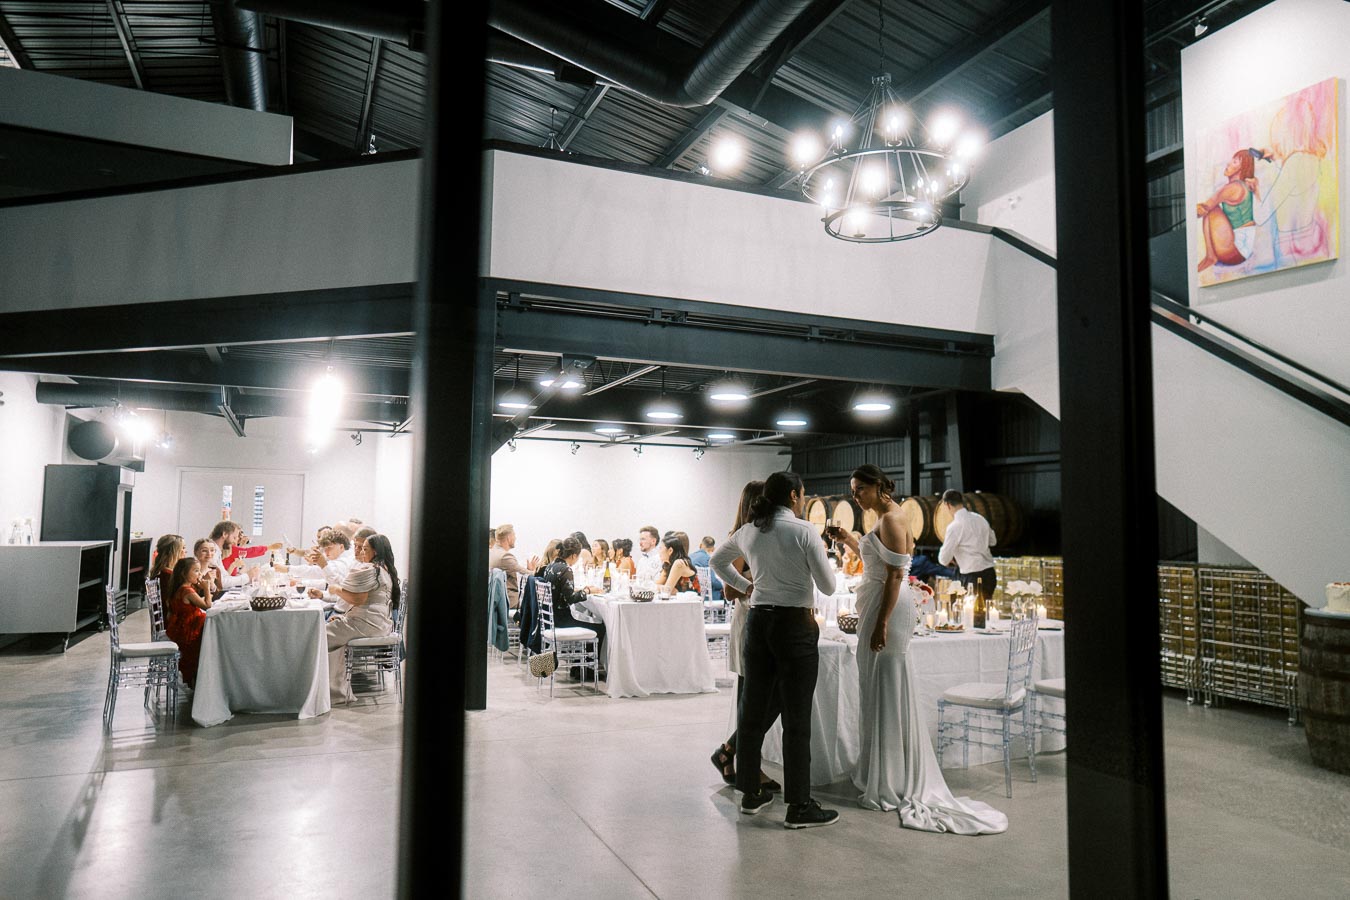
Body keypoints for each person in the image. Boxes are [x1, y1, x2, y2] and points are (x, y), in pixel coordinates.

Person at [830, 466, 1008, 833]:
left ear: (881, 488)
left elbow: (896, 576)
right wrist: (850, 539)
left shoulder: (894, 519)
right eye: (853, 490)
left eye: (861, 489)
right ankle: (880, 768)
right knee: (875, 687)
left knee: (886, 686)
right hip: (877, 606)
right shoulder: (884, 518)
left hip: (888, 613)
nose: (855, 496)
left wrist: (880, 623)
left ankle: (893, 778)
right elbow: (878, 559)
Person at [712, 471, 839, 829]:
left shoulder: (750, 529)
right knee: (796, 719)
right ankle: (799, 805)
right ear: (796, 496)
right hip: (795, 626)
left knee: (751, 712)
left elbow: (717, 562)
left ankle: (751, 794)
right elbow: (828, 587)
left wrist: (747, 586)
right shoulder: (803, 531)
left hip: (758, 623)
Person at [708, 481, 780, 793]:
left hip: (766, 622)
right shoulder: (738, 538)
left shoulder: (765, 536)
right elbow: (727, 589)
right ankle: (742, 763)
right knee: (754, 699)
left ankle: (730, 753)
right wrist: (760, 574)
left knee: (765, 698)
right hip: (747, 620)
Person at [313, 534, 400, 702]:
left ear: (375, 551)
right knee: (329, 633)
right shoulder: (384, 570)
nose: (361, 553)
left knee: (316, 636)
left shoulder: (372, 570)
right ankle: (333, 689)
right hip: (378, 624)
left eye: (365, 549)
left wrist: (336, 589)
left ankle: (319, 690)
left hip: (366, 624)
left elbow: (358, 599)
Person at [538, 536, 606, 668]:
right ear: (574, 555)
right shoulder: (566, 569)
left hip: (550, 618)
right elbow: (570, 599)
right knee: (600, 628)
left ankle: (578, 667)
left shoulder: (551, 566)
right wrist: (587, 591)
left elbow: (560, 589)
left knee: (589, 620)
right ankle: (585, 670)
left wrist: (579, 590)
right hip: (562, 620)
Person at [936, 490, 997, 602]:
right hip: (989, 574)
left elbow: (943, 559)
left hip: (971, 576)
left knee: (971, 615)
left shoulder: (954, 527)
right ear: (961, 502)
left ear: (947, 505)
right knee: (986, 613)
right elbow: (993, 541)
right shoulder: (980, 518)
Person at [165, 556, 214, 688]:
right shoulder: (187, 590)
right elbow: (207, 605)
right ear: (184, 573)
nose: (199, 574)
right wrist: (207, 588)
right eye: (196, 571)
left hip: (184, 626)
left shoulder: (183, 588)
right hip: (188, 632)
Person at [287, 528, 354, 591]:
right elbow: (326, 582)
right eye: (318, 537)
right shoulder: (333, 553)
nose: (326, 551)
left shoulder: (342, 561)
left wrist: (287, 569)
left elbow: (316, 571)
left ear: (341, 547)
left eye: (329, 548)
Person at [490, 524, 536, 610]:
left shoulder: (493, 552)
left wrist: (528, 570)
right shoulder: (505, 556)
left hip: (497, 598)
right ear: (509, 538)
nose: (515, 538)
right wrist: (533, 571)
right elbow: (526, 573)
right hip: (510, 600)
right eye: (514, 535)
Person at [206, 522, 254, 590]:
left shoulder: (217, 551)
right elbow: (222, 583)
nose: (235, 542)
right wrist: (247, 576)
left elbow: (225, 576)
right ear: (224, 534)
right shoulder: (211, 552)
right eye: (234, 537)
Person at [149, 534, 184, 602]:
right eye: (183, 548)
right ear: (173, 552)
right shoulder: (169, 574)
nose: (184, 551)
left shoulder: (161, 571)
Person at [689, 536, 723, 604]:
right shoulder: (708, 559)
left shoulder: (690, 556)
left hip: (693, 592)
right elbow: (712, 580)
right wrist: (722, 586)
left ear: (700, 545)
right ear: (713, 549)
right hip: (706, 596)